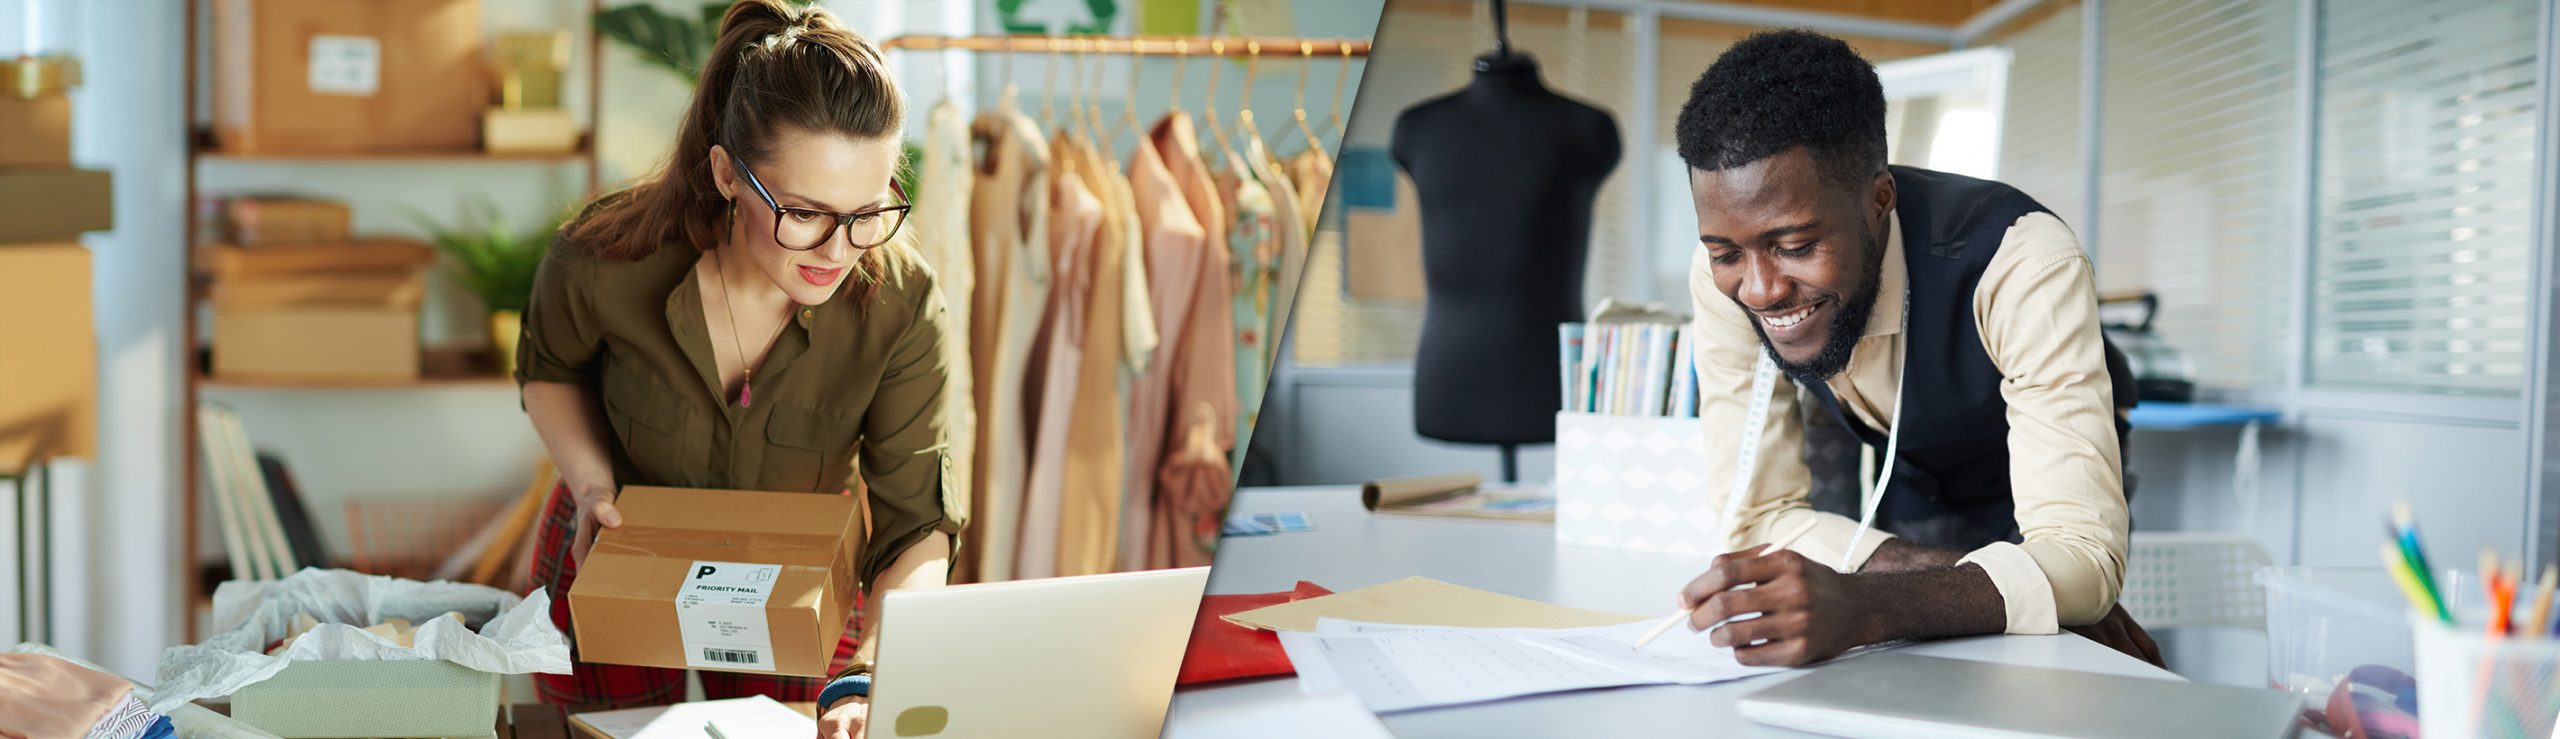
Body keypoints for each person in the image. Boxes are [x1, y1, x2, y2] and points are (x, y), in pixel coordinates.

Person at [514, 2, 961, 736]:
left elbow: (916, 524)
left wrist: (870, 669)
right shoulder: (604, 258)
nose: (838, 250)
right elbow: (550, 369)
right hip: (615, 543)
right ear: (727, 172)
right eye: (805, 212)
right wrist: (591, 481)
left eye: (867, 211)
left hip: (801, 577)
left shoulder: (903, 306)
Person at [1672, 30, 2159, 668]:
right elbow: (1757, 518)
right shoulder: (1725, 280)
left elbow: (2082, 563)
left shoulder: (2023, 260)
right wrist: (1993, 585)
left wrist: (1867, 603)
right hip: (1909, 462)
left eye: (1795, 246)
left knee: (2048, 676)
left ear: (1880, 200)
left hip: (2024, 467)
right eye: (1726, 254)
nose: (1760, 290)